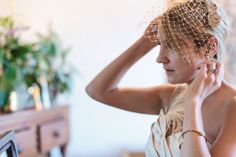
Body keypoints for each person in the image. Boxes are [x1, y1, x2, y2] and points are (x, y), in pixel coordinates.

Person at [86, 0, 236, 156]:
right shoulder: (172, 96)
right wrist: (145, 41)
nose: (159, 58)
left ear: (209, 47)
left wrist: (193, 102)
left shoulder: (232, 107)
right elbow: (97, 91)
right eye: (160, 44)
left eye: (171, 45)